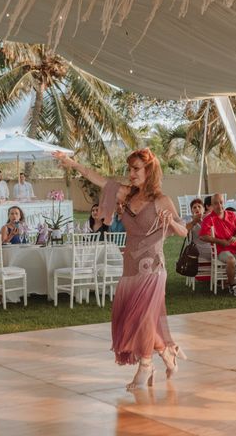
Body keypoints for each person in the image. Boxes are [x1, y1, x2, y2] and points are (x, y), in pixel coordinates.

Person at [53, 147, 188, 390]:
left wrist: (172, 225)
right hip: (130, 269)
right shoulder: (125, 195)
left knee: (144, 317)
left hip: (153, 268)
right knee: (138, 320)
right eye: (130, 168)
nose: (131, 173)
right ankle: (167, 352)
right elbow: (102, 181)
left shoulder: (161, 201)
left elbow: (183, 231)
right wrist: (73, 164)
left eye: (136, 169)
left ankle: (145, 366)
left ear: (150, 171)